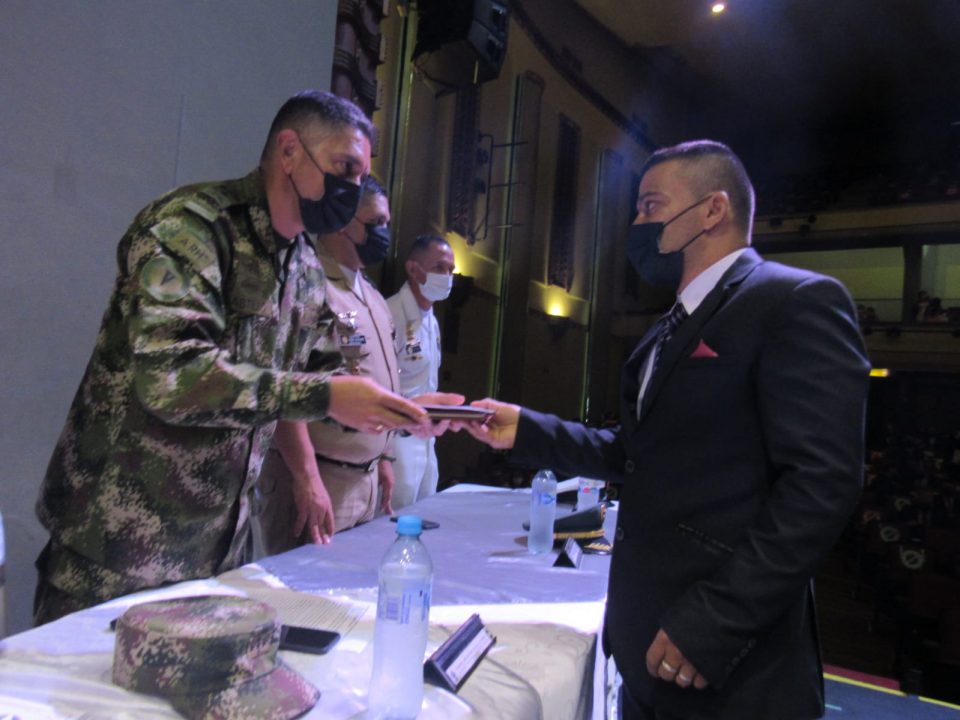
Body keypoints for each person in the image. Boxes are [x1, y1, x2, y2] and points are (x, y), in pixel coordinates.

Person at [457, 140, 870, 719]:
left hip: (729, 659)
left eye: (651, 206)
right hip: (646, 640)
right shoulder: (667, 327)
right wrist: (526, 429)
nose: (637, 225)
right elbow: (635, 454)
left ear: (712, 210)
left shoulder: (793, 300)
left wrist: (716, 620)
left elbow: (821, 485)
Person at [34, 90, 431, 625]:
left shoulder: (303, 265)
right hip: (118, 543)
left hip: (215, 548)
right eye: (345, 169)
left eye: (360, 177)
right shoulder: (190, 228)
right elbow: (173, 375)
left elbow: (316, 371)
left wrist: (410, 411)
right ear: (289, 152)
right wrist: (326, 395)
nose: (352, 190)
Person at [256, 181, 462, 552]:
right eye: (376, 222)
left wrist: (383, 456)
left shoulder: (371, 296)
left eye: (387, 223)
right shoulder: (308, 282)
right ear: (341, 222)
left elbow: (380, 383)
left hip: (364, 481)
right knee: (304, 585)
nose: (384, 233)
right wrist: (306, 477)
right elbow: (282, 387)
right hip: (321, 478)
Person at [386, 235, 457, 509]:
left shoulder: (432, 321)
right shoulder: (390, 312)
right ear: (413, 269)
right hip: (396, 438)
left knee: (424, 513)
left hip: (427, 439)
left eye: (450, 270)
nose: (447, 276)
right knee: (391, 518)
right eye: (439, 267)